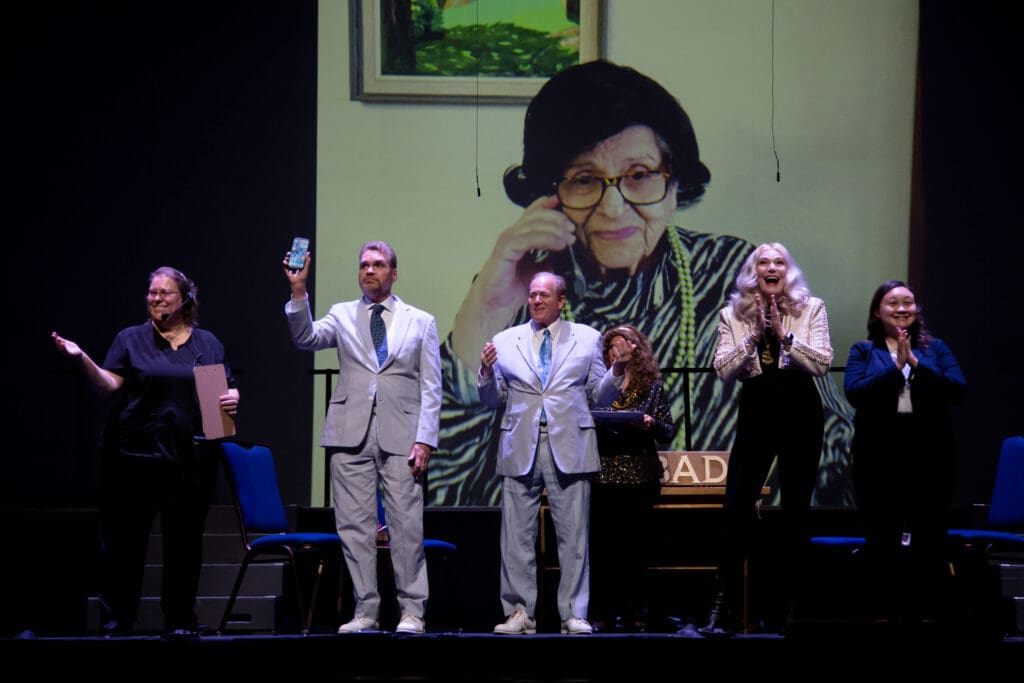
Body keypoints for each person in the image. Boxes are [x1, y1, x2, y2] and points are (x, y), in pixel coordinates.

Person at [433, 59, 854, 510]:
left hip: (726, 528)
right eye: (585, 179)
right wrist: (483, 313)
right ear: (552, 193)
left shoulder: (738, 272)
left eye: (638, 175)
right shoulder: (527, 293)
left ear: (676, 182)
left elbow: (830, 437)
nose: (613, 208)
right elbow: (448, 485)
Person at [51, 266, 240, 637]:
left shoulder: (206, 344)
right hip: (132, 458)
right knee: (124, 543)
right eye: (151, 293)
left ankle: (180, 619)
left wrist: (233, 398)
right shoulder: (131, 339)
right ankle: (119, 618)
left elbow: (220, 401)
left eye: (164, 293)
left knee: (183, 544)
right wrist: (82, 358)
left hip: (188, 461)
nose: (156, 299)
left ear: (185, 299)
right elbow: (109, 385)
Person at [283, 240, 441, 635]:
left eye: (379, 264)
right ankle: (366, 609)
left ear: (394, 272)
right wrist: (299, 290)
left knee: (406, 525)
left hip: (403, 434)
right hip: (349, 432)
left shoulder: (420, 320)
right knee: (354, 525)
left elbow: (432, 387)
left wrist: (425, 439)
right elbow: (306, 338)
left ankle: (411, 610)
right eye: (364, 265)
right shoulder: (341, 314)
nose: (370, 270)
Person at [699, 243, 833, 636]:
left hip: (800, 408)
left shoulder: (812, 308)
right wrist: (754, 336)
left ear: (787, 271)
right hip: (757, 407)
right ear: (752, 271)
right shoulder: (732, 313)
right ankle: (721, 611)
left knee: (795, 509)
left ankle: (787, 611)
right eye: (763, 262)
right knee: (736, 503)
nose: (771, 267)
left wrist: (784, 336)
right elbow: (723, 371)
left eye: (779, 262)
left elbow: (822, 364)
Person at [478, 271, 622, 635]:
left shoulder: (587, 338)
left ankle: (573, 613)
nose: (537, 300)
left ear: (561, 301)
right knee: (515, 536)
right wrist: (485, 372)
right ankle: (519, 613)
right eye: (532, 295)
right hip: (520, 442)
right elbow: (492, 399)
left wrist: (617, 372)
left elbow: (599, 396)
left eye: (544, 295)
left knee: (573, 535)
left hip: (570, 442)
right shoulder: (506, 340)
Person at [844, 280, 966, 626]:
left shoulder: (936, 349)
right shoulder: (863, 351)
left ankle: (925, 613)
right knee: (882, 536)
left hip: (931, 456)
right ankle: (884, 613)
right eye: (893, 302)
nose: (901, 308)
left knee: (929, 536)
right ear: (877, 311)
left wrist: (916, 362)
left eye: (908, 303)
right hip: (878, 458)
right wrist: (895, 367)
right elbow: (855, 391)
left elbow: (958, 389)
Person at [589, 324, 677, 633]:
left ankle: (635, 612)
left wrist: (650, 424)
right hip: (602, 475)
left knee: (635, 549)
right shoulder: (599, 385)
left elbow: (668, 430)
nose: (615, 350)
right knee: (603, 550)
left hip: (639, 475)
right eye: (610, 347)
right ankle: (601, 612)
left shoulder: (650, 384)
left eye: (620, 344)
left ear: (635, 347)